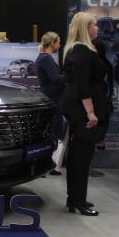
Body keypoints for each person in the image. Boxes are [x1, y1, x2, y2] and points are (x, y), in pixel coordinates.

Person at [61, 12, 110, 216]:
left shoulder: (79, 50)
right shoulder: (82, 52)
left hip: (79, 109)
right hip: (83, 111)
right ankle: (77, 200)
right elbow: (83, 85)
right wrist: (90, 112)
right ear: (85, 28)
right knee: (81, 156)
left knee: (79, 154)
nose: (97, 28)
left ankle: (76, 198)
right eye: (94, 25)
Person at [35, 31, 65, 175]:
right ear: (52, 43)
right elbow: (55, 79)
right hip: (53, 98)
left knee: (49, 131)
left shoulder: (42, 57)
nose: (60, 44)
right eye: (58, 42)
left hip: (49, 97)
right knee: (52, 132)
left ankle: (45, 164)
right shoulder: (46, 58)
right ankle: (46, 165)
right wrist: (70, 76)